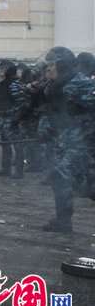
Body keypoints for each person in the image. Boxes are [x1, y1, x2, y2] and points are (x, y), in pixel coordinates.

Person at [40, 46, 95, 233]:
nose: (48, 69)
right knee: (69, 182)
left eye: (52, 65)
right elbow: (55, 112)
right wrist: (48, 130)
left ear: (63, 66)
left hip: (83, 145)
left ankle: (63, 221)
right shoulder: (54, 86)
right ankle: (63, 221)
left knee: (62, 178)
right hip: (65, 142)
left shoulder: (80, 84)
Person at [0, 60, 27, 178]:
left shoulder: (14, 84)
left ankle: (19, 171)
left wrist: (14, 117)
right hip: (4, 117)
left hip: (13, 119)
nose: (0, 71)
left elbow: (21, 103)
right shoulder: (4, 84)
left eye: (2, 69)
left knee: (17, 145)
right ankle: (5, 168)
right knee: (5, 144)